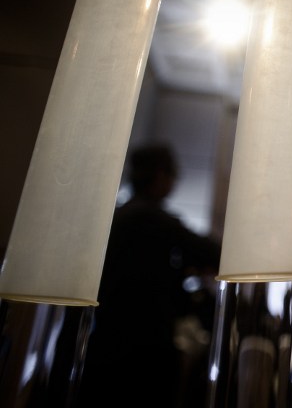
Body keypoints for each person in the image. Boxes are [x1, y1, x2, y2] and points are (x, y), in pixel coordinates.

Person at [77, 144, 221, 408]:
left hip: (105, 338)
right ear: (160, 175)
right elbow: (212, 253)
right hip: (147, 346)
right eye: (173, 175)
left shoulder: (116, 217)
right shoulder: (154, 219)